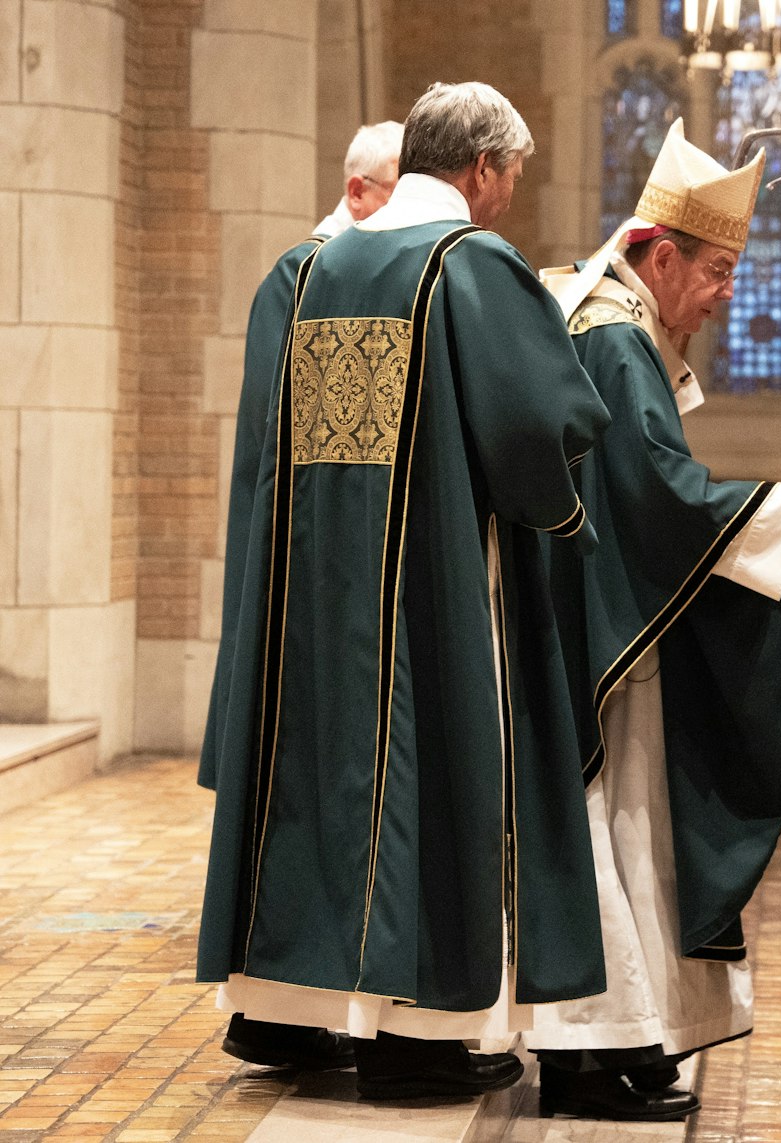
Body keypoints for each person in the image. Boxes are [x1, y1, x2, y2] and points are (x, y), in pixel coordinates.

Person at [196, 81, 613, 1101]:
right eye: (508, 176)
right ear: (479, 169)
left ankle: (290, 1013)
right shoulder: (467, 265)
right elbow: (540, 427)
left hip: (306, 587)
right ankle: (418, 1037)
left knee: (313, 776)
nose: (506, 197)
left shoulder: (308, 269)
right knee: (428, 771)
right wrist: (564, 505)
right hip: (431, 583)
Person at [524, 118, 781, 1122]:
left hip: (612, 621)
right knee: (615, 824)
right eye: (719, 271)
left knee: (634, 828)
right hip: (609, 638)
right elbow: (659, 496)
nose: (729, 295)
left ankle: (630, 1036)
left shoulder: (619, 327)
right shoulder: (613, 336)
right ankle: (590, 1051)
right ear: (662, 254)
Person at [197, 118, 405, 1076]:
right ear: (360, 192)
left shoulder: (346, 274)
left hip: (340, 575)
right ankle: (279, 1008)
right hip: (315, 578)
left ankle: (297, 1005)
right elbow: (321, 447)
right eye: (402, 195)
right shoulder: (310, 277)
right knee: (308, 786)